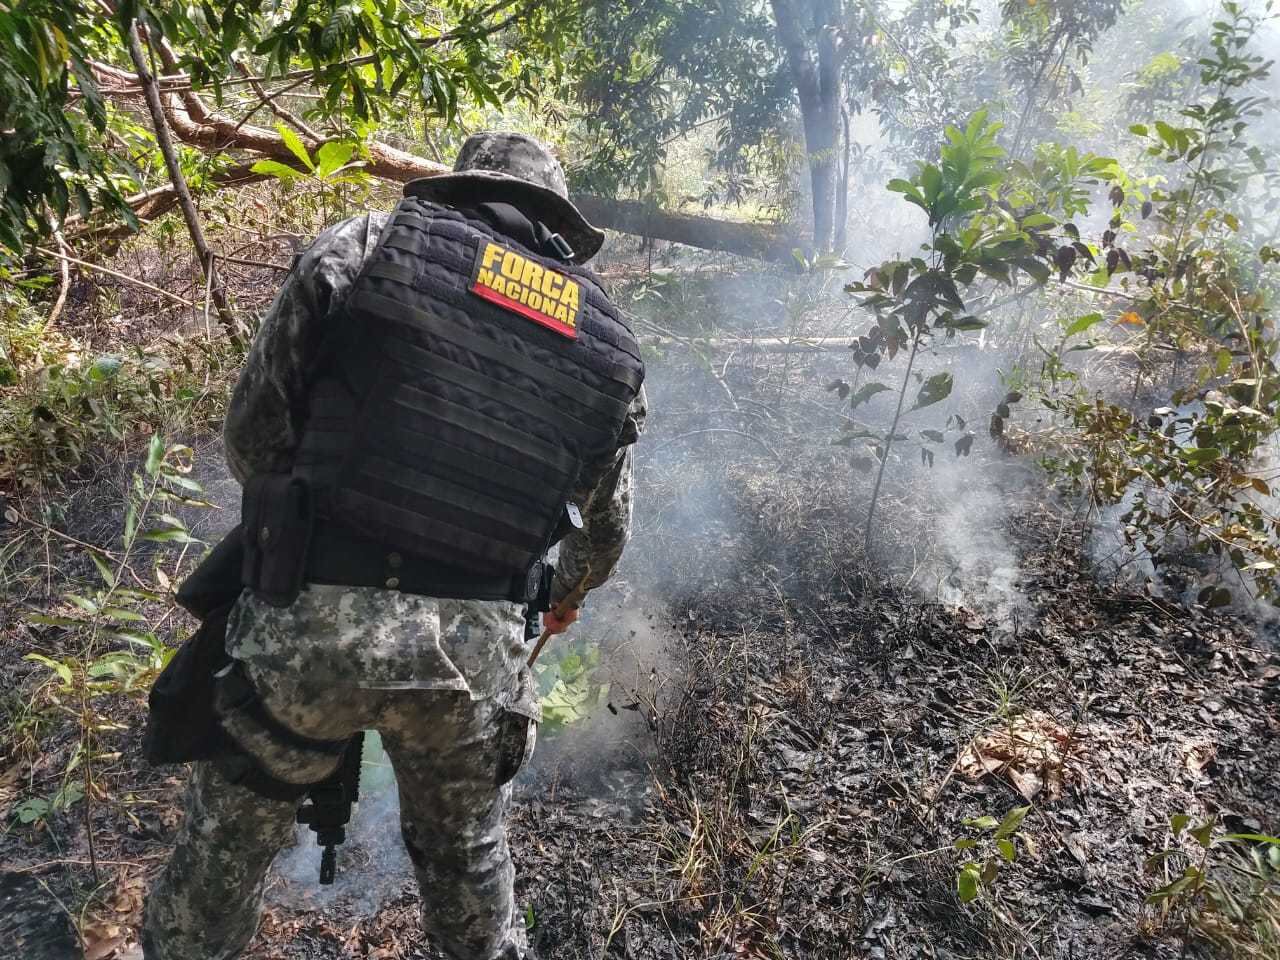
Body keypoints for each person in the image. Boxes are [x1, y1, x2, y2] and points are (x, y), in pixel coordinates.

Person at [136, 132, 646, 960]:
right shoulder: (608, 339)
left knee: (222, 857)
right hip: (470, 671)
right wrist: (564, 598)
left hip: (309, 633)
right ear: (556, 219)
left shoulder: (364, 245)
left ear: (458, 188)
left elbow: (252, 437)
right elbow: (607, 530)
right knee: (470, 865)